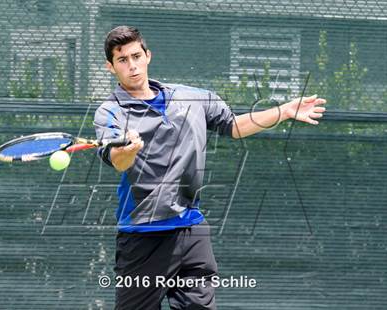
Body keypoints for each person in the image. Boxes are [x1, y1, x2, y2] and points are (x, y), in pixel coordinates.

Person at [94, 25, 326, 310]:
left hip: (192, 232)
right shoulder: (111, 111)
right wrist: (128, 150)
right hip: (142, 237)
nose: (132, 65)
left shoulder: (193, 98)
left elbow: (235, 126)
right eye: (122, 60)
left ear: (147, 56)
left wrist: (284, 111)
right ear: (110, 67)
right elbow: (117, 160)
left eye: (136, 56)